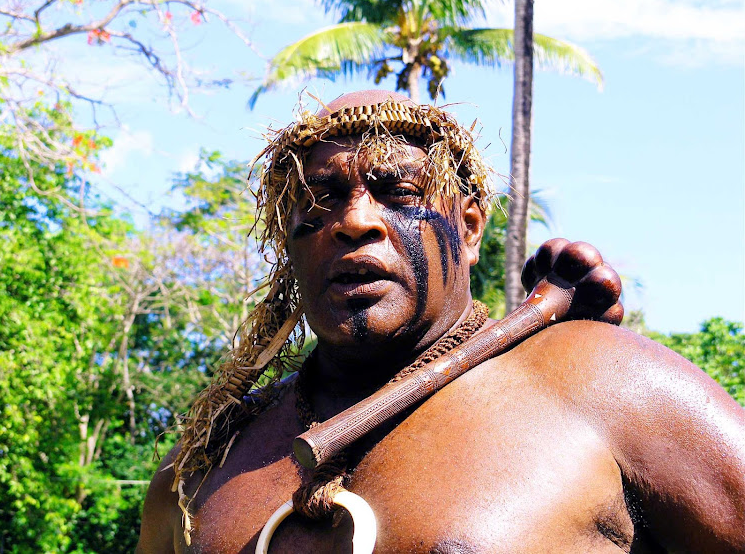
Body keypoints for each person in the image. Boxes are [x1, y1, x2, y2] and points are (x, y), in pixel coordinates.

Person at [137, 90, 745, 553]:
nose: (355, 222)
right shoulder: (199, 469)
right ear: (285, 241)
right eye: (319, 200)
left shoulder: (608, 383)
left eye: (398, 191)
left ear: (472, 228)